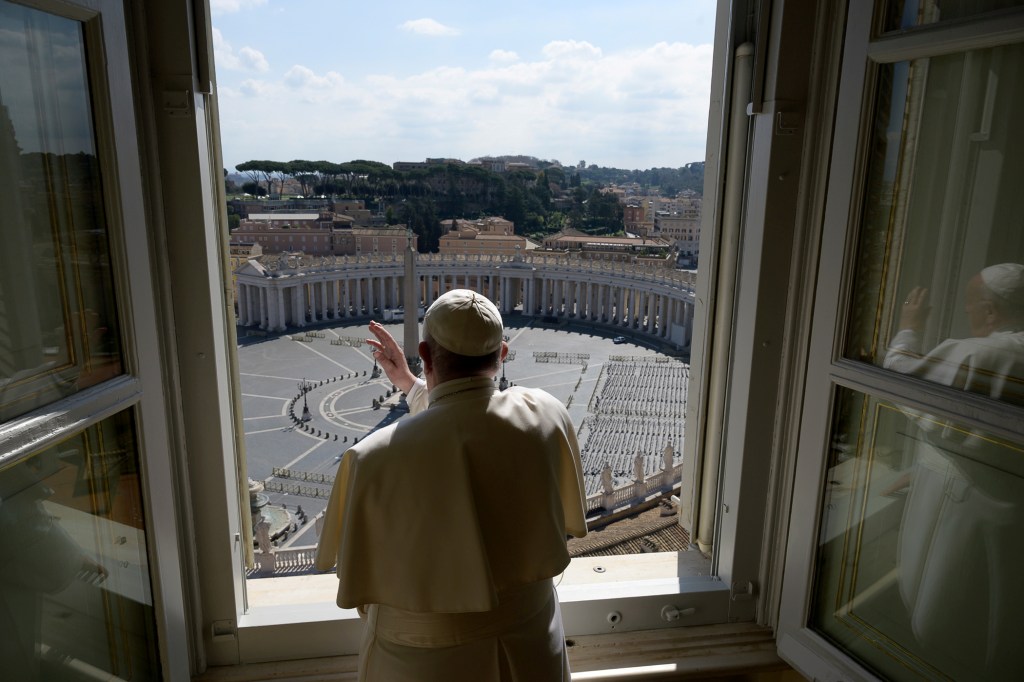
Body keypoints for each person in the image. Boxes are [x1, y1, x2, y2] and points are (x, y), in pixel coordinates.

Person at [315, 289, 587, 682]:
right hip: (532, 646)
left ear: (424, 354)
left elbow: (450, 425)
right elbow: (473, 417)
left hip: (420, 664)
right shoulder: (546, 413)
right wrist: (410, 384)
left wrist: (414, 382)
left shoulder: (369, 459)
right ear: (503, 354)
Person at [882, 263, 1024, 676]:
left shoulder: (981, 354)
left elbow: (900, 379)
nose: (968, 317)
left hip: (964, 502)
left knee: (945, 605)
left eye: (970, 309)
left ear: (991, 311)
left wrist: (909, 326)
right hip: (1006, 502)